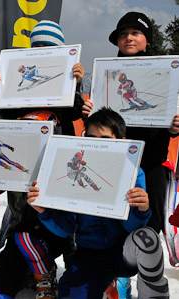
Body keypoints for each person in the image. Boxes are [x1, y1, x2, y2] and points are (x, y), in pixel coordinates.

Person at [82, 12, 179, 296]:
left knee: (149, 223)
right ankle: (117, 274)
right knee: (111, 215)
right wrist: (89, 112)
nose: (128, 38)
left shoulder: (166, 72)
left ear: (148, 41)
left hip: (151, 164)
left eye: (135, 33)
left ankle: (147, 280)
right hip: (114, 161)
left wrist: (175, 127)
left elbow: (171, 114)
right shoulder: (106, 74)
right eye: (123, 34)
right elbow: (97, 122)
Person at [27, 107, 169, 298]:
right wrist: (45, 211)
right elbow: (66, 228)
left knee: (147, 238)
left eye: (106, 140)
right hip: (88, 256)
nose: (98, 145)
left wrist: (141, 210)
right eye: (92, 138)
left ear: (122, 142)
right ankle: (106, 285)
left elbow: (131, 226)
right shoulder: (74, 176)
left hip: (122, 252)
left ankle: (144, 291)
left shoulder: (134, 172)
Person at [0, 20, 84, 299]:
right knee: (20, 238)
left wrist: (75, 80)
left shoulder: (64, 96)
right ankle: (28, 271)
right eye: (37, 46)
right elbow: (4, 114)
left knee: (65, 235)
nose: (42, 52)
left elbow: (77, 109)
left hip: (57, 178)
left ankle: (56, 272)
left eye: (48, 48)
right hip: (24, 180)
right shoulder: (21, 94)